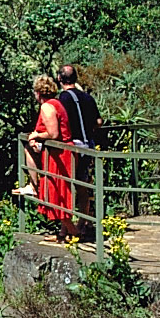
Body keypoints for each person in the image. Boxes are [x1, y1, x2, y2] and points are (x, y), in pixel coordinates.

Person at [24, 75, 76, 239]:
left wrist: (37, 136)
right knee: (58, 190)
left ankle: (74, 232)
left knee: (57, 193)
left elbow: (53, 133)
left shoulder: (47, 107)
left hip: (60, 155)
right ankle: (63, 232)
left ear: (38, 92)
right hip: (58, 153)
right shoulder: (56, 103)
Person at [57, 63, 105, 226]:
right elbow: (99, 121)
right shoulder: (87, 97)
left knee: (67, 185)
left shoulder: (63, 98)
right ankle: (83, 223)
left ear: (59, 79)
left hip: (72, 146)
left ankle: (67, 226)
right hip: (88, 144)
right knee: (83, 184)